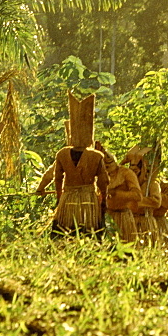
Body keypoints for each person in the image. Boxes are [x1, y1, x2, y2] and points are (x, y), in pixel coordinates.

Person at [51, 93, 108, 234]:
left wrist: (60, 198)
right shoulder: (96, 156)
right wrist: (103, 201)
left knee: (63, 232)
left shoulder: (62, 153)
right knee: (89, 233)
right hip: (88, 200)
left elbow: (57, 179)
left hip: (68, 198)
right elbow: (103, 182)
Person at [100, 144, 141, 243]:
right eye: (104, 167)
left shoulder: (126, 173)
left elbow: (137, 195)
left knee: (126, 247)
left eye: (109, 167)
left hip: (123, 217)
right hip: (106, 216)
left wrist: (118, 194)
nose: (108, 171)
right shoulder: (100, 173)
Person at [123, 146, 162, 245]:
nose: (134, 175)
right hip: (130, 223)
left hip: (145, 222)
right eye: (131, 171)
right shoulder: (127, 184)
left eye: (136, 171)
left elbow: (156, 202)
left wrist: (139, 201)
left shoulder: (152, 184)